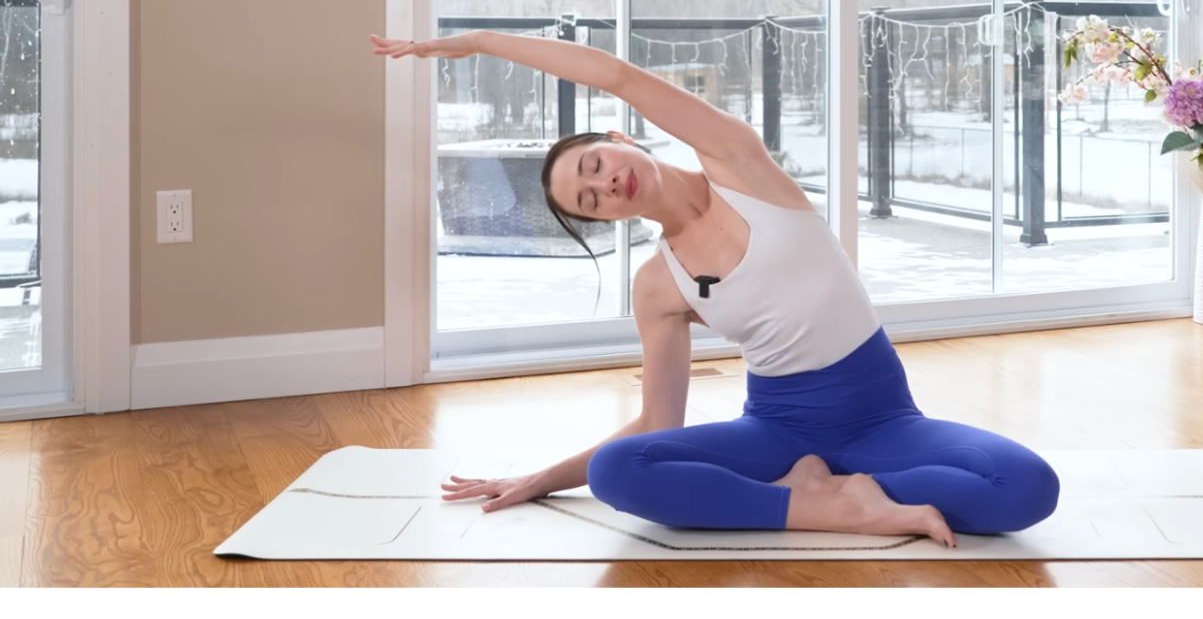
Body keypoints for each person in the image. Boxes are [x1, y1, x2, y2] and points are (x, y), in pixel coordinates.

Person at [373, 30, 1059, 548]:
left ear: (619, 139)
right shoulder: (658, 286)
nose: (605, 184)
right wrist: (538, 480)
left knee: (1027, 489)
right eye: (589, 200)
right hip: (777, 428)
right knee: (619, 472)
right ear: (604, 220)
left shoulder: (737, 163)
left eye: (595, 164)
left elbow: (614, 72)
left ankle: (814, 492)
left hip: (885, 420)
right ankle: (824, 506)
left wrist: (478, 44)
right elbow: (656, 426)